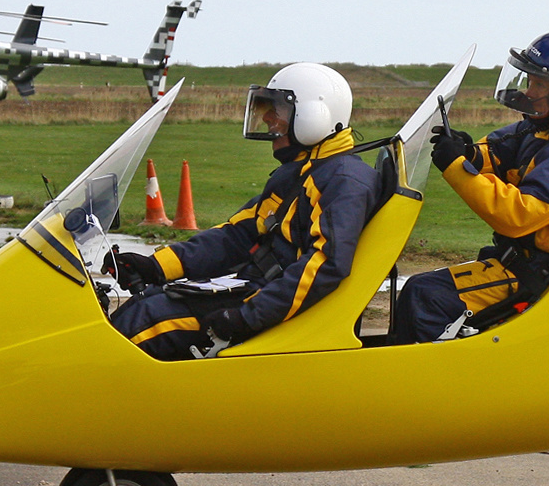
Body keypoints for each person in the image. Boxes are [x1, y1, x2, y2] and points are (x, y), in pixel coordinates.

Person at [108, 63, 389, 360]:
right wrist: (156, 267)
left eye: (278, 108)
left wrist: (245, 316)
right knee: (145, 303)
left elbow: (325, 265)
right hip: (256, 290)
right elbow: (237, 235)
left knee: (142, 324)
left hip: (267, 305)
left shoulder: (344, 181)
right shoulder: (303, 172)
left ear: (314, 116)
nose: (267, 117)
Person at [391, 31, 549, 343]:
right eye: (529, 81)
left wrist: (457, 168)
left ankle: (425, 385)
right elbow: (501, 152)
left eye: (540, 84)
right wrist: (469, 152)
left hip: (534, 272)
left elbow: (519, 215)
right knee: (421, 290)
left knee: (426, 295)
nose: (530, 91)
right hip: (514, 259)